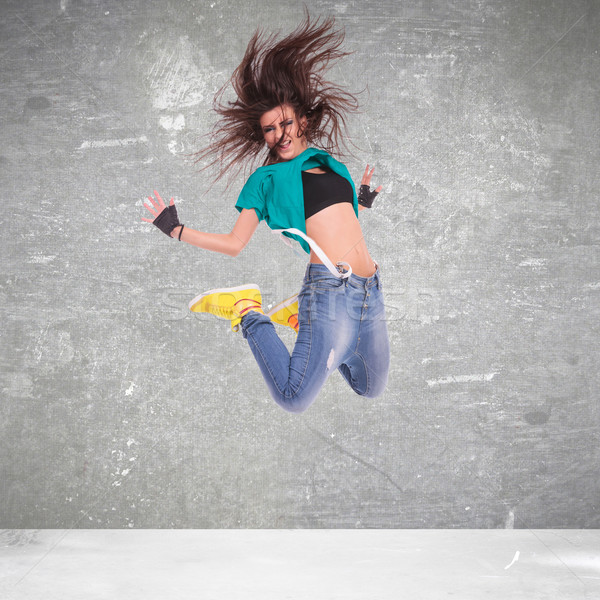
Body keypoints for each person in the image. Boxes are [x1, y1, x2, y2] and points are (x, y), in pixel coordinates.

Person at [142, 15, 390, 413]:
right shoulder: (266, 179)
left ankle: (299, 324)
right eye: (270, 129)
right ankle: (248, 311)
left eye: (286, 122)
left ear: (303, 120)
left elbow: (340, 222)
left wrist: (362, 200)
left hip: (370, 289)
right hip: (328, 291)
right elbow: (235, 243)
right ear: (264, 136)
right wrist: (176, 229)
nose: (281, 134)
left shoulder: (332, 164)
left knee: (370, 386)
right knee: (292, 397)